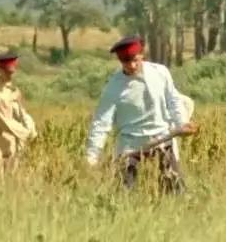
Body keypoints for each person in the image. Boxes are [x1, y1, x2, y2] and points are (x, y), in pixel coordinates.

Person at [85, 36, 198, 193]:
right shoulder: (113, 87)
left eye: (135, 60)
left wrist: (182, 123)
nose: (131, 65)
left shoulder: (160, 73)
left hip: (162, 140)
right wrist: (92, 156)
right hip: (130, 146)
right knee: (125, 193)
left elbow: (173, 100)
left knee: (175, 190)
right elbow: (101, 123)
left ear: (142, 55)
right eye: (126, 62)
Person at [0, 50, 37, 174]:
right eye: (8, 72)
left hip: (10, 140)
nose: (11, 75)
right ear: (0, 72)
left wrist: (31, 128)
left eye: (13, 72)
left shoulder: (13, 91)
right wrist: (27, 133)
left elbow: (21, 113)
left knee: (11, 180)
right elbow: (6, 122)